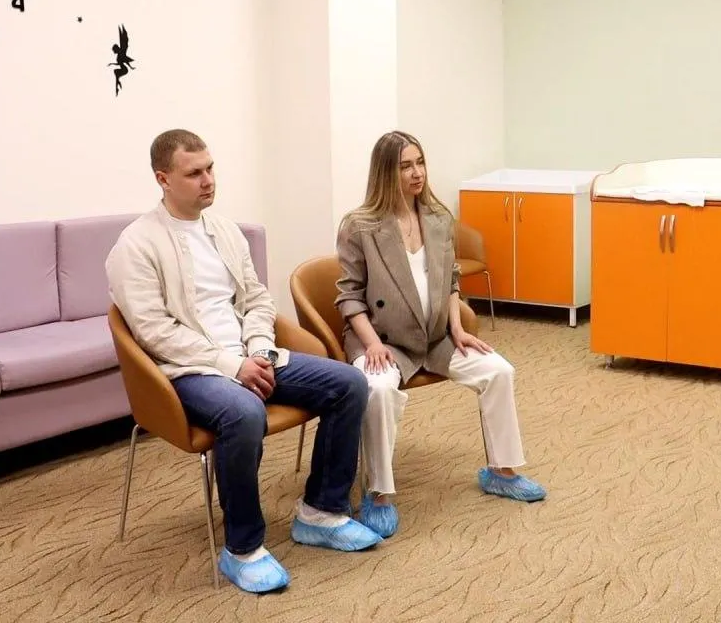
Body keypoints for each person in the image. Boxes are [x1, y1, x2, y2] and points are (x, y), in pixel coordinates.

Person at [106, 129, 382, 595]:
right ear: (163, 179)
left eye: (210, 168)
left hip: (250, 355)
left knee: (349, 384)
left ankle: (321, 511)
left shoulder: (226, 231)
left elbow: (256, 299)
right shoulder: (135, 245)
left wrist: (257, 351)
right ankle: (242, 548)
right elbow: (154, 333)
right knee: (243, 412)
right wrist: (231, 366)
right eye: (194, 173)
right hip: (188, 370)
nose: (208, 180)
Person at [334, 130, 546, 538]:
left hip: (435, 337)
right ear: (385, 172)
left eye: (420, 163)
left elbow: (450, 281)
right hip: (383, 340)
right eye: (405, 166)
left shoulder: (438, 218)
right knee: (378, 390)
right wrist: (372, 343)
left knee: (498, 370)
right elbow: (349, 296)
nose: (417, 173)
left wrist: (458, 328)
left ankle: (501, 472)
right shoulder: (359, 226)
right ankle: (378, 493)